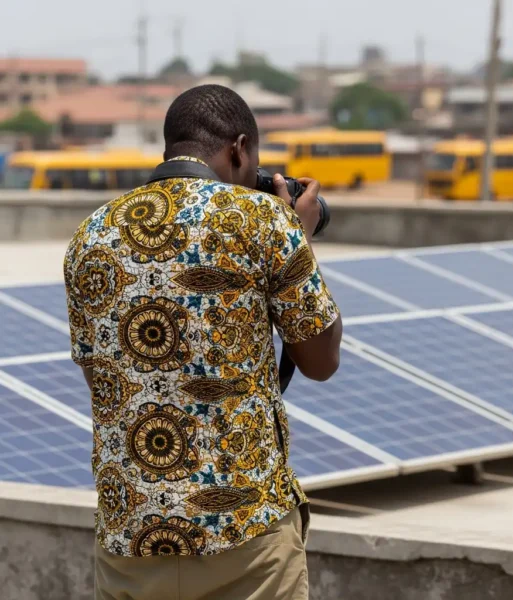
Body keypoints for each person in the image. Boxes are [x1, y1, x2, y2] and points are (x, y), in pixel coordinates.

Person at [64, 84, 342, 600]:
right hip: (246, 541)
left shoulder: (90, 236)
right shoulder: (265, 223)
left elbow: (104, 379)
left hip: (131, 538)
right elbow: (321, 361)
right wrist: (295, 238)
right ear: (239, 149)